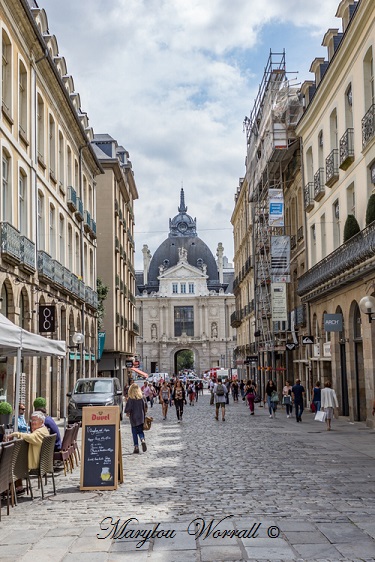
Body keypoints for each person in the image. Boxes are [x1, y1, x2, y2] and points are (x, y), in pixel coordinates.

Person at [9, 411, 49, 494]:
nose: (32, 422)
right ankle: (17, 487)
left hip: (35, 463)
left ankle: (13, 489)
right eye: (32, 420)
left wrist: (16, 434)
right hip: (41, 461)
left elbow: (31, 437)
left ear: (41, 421)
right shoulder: (43, 429)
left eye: (35, 420)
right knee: (15, 461)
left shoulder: (39, 432)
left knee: (10, 465)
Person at [124, 383, 147, 453]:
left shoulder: (131, 399)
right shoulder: (142, 397)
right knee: (140, 431)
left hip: (133, 417)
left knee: (134, 432)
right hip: (141, 417)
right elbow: (145, 407)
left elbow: (128, 409)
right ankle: (142, 439)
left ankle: (136, 447)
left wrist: (127, 412)